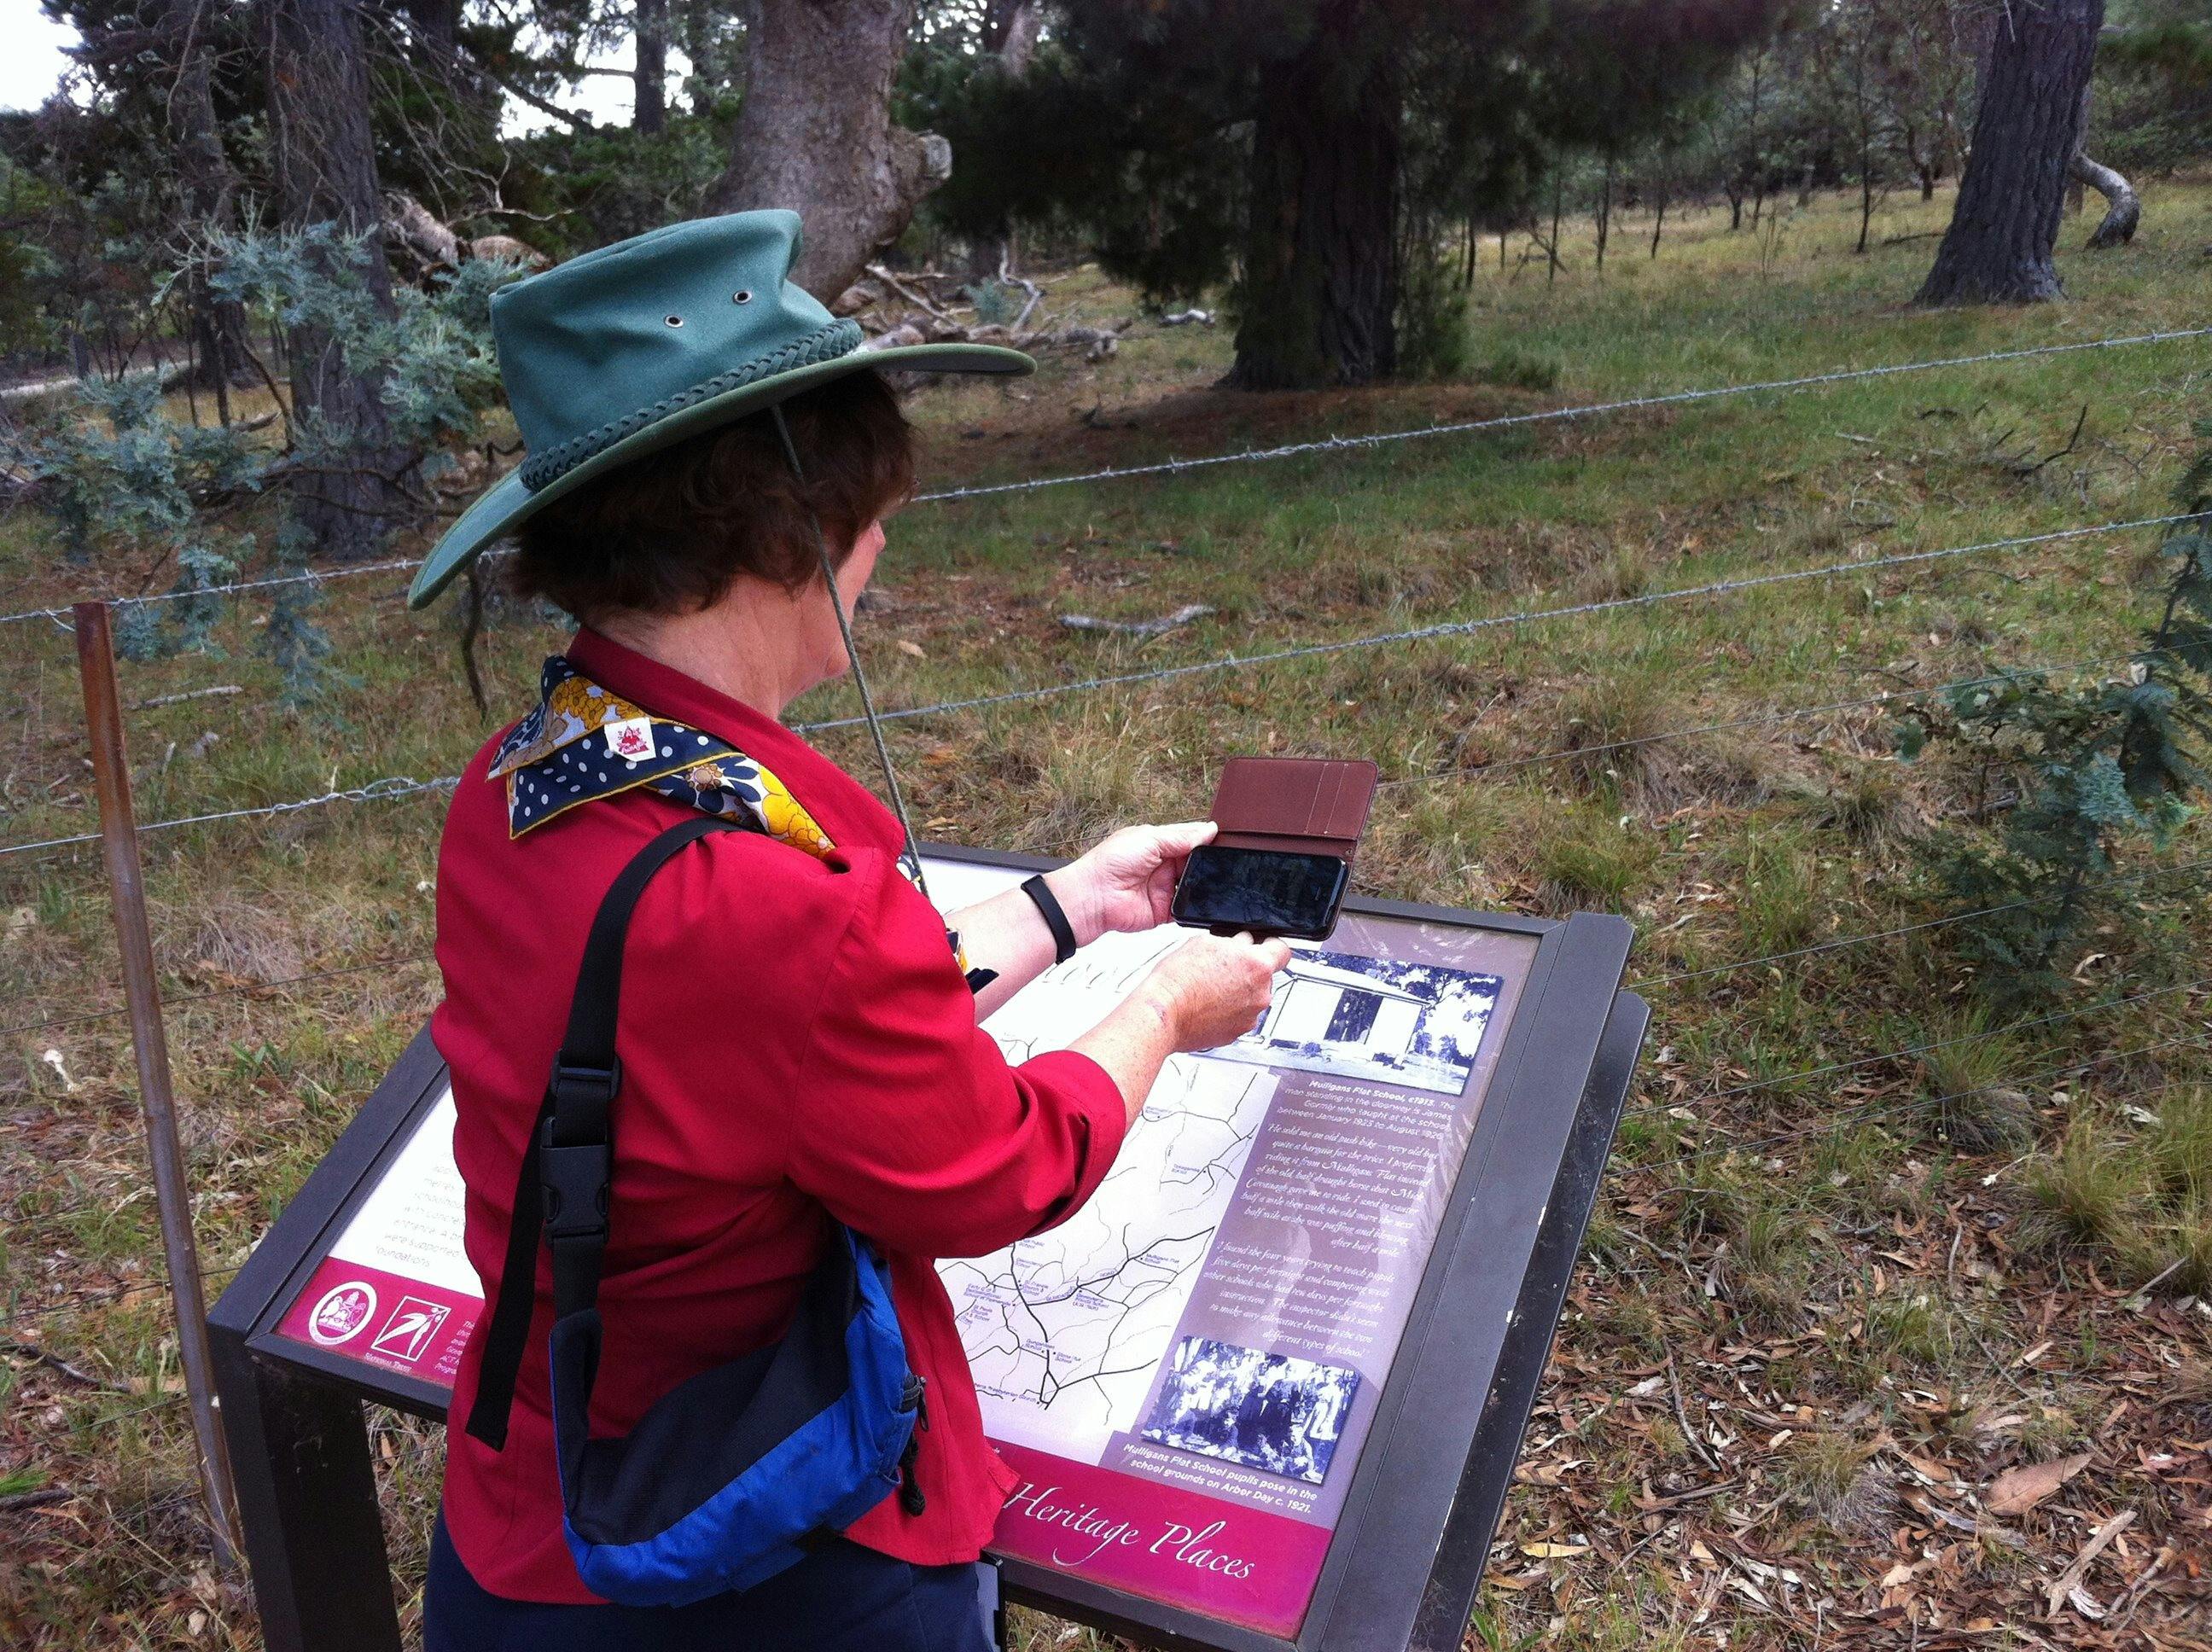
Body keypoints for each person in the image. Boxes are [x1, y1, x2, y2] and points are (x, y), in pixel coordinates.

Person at [406, 210, 1289, 1650]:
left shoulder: (524, 786)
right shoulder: (771, 897)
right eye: (869, 519)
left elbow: (752, 1052)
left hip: (536, 1508)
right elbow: (992, 1170)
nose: (881, 550)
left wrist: (1069, 907)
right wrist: (1167, 1007)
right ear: (785, 539)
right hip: (776, 1552)